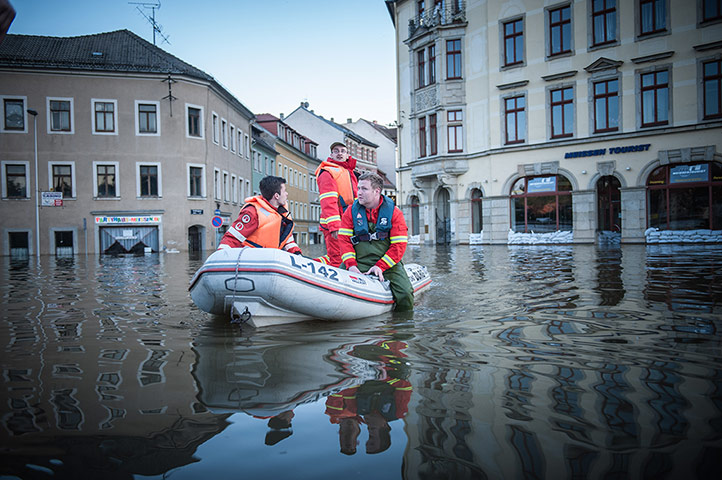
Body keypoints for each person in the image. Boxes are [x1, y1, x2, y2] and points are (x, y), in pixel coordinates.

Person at [338, 172, 414, 311]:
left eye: (364, 189)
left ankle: (401, 326)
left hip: (387, 264)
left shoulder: (394, 213)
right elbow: (344, 241)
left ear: (376, 191)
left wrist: (381, 266)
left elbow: (399, 246)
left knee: (405, 293)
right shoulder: (350, 211)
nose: (359, 193)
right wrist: (351, 265)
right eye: (358, 188)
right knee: (335, 287)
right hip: (358, 261)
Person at [218, 175, 301, 254]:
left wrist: (298, 255)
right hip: (251, 260)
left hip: (270, 260)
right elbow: (233, 238)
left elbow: (288, 241)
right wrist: (221, 255)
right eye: (284, 191)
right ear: (276, 196)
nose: (286, 194)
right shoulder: (253, 212)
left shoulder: (283, 214)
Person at [314, 141, 358, 267]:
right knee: (337, 258)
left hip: (348, 221)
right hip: (336, 223)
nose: (339, 153)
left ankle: (312, 265)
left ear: (347, 154)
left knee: (346, 255)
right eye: (336, 151)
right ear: (331, 155)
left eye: (342, 151)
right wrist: (334, 226)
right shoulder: (328, 172)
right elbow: (328, 201)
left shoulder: (348, 172)